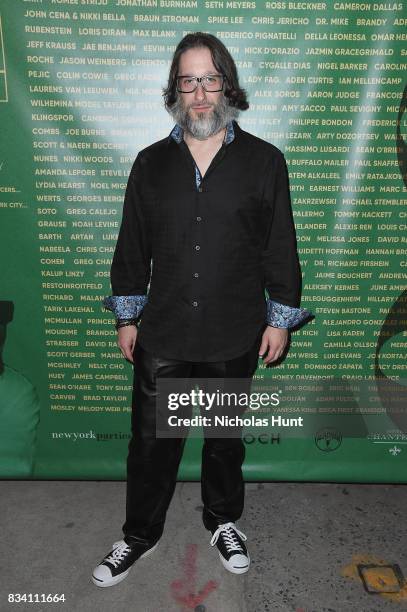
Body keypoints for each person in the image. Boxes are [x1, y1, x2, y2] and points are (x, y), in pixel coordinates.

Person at [92, 32, 312, 588]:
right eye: (188, 80)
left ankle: (222, 520)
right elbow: (131, 247)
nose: (199, 93)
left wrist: (279, 318)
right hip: (162, 334)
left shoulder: (264, 162)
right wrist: (127, 316)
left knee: (222, 443)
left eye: (210, 78)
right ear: (175, 91)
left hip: (231, 333)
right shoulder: (150, 164)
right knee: (150, 446)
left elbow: (279, 247)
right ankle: (138, 534)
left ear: (227, 86)